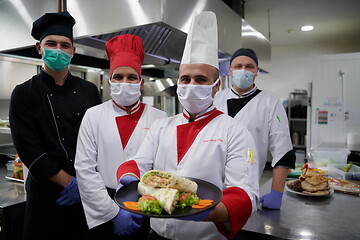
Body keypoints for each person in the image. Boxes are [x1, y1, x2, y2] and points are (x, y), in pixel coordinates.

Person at [115, 11, 260, 240]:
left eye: (200, 80)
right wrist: (130, 178)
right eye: (185, 79)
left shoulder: (235, 132)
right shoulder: (161, 127)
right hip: (156, 234)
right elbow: (138, 163)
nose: (191, 85)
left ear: (216, 86)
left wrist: (204, 212)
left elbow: (244, 194)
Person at [9, 11, 102, 240]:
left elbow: (98, 138)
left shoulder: (89, 90)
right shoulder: (24, 93)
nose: (58, 50)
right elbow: (29, 148)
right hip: (46, 193)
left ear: (73, 51)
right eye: (51, 43)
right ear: (39, 48)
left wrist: (87, 184)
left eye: (65, 45)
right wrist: (69, 182)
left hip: (86, 189)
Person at [74, 34, 167, 239]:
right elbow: (85, 169)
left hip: (147, 205)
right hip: (103, 207)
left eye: (131, 77)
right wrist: (113, 214)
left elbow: (163, 169)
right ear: (109, 82)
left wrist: (146, 204)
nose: (125, 82)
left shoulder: (160, 119)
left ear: (141, 83)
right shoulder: (94, 115)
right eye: (118, 77)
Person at [214, 48, 296, 210]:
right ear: (230, 70)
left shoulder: (270, 102)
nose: (243, 70)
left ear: (257, 71)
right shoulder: (216, 99)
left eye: (249, 67)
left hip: (245, 185)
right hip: (210, 183)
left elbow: (283, 150)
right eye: (238, 66)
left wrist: (277, 193)